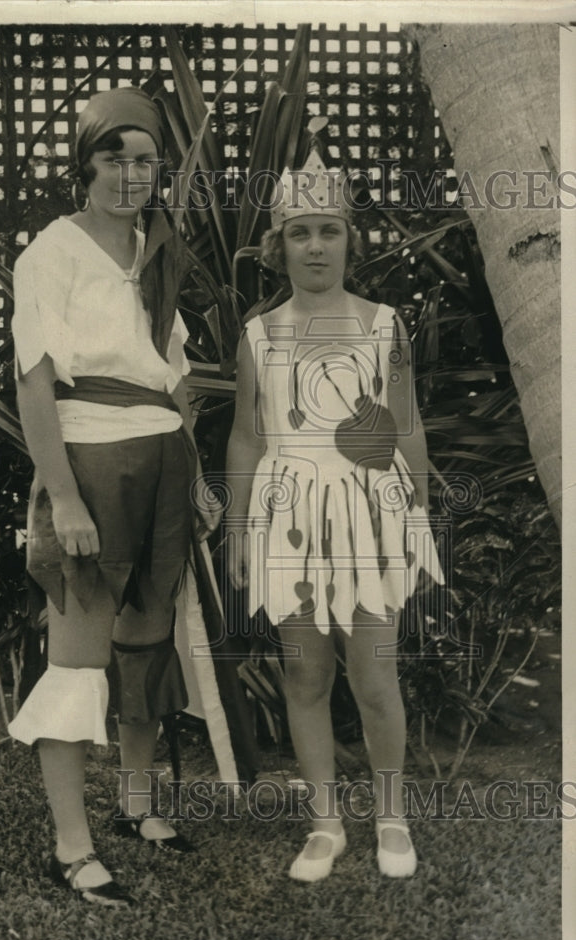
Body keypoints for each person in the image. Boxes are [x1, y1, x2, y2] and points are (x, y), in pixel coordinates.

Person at [7, 87, 219, 905]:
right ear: (84, 165)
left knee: (146, 640)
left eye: (146, 161)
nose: (131, 175)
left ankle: (136, 806)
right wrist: (63, 500)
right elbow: (34, 385)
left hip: (163, 455)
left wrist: (193, 473)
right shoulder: (51, 253)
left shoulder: (157, 252)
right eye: (114, 158)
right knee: (79, 654)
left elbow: (172, 374)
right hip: (90, 461)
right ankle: (71, 847)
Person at [225, 148, 444, 881]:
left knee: (375, 676)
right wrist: (238, 529)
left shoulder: (387, 326)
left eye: (329, 230)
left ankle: (390, 816)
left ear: (351, 238)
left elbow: (406, 428)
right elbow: (249, 436)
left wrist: (417, 516)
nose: (316, 246)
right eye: (300, 232)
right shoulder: (260, 335)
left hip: (370, 513)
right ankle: (324, 824)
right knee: (304, 676)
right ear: (277, 246)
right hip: (288, 514)